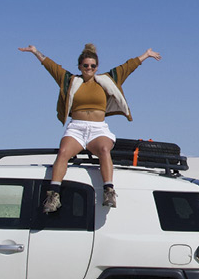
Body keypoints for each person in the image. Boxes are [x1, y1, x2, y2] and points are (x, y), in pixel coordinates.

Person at [19, 43, 161, 211]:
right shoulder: (71, 81)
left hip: (98, 129)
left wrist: (146, 54)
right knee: (63, 152)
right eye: (85, 65)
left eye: (93, 66)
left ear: (97, 67)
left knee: (104, 150)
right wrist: (35, 52)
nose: (89, 68)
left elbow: (128, 67)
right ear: (80, 66)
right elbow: (52, 67)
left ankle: (109, 190)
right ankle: (53, 196)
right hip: (76, 128)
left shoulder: (107, 80)